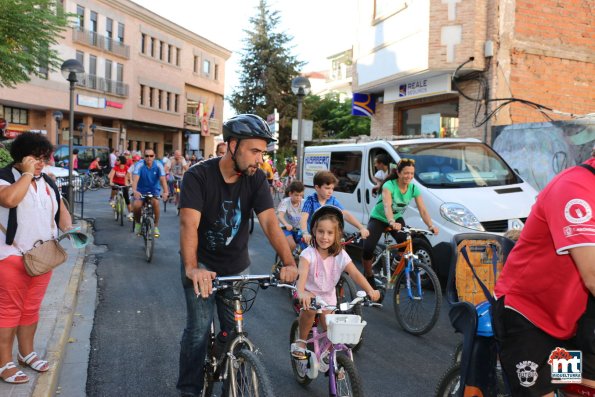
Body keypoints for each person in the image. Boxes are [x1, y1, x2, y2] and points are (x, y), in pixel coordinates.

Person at [176, 114, 298, 397]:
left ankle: (233, 382)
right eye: (255, 151)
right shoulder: (198, 176)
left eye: (263, 152)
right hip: (202, 265)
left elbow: (269, 222)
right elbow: (188, 224)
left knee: (234, 331)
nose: (260, 159)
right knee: (197, 331)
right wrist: (192, 268)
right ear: (232, 145)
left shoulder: (255, 179)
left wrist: (289, 262)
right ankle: (189, 390)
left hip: (235, 267)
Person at [493, 156, 595, 397]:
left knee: (578, 385)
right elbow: (592, 275)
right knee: (542, 389)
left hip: (571, 323)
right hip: (529, 318)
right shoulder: (575, 189)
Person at [0, 133, 75, 384]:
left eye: (44, 158)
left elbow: (62, 215)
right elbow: (9, 199)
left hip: (42, 257)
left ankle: (26, 354)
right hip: (11, 256)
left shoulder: (47, 182)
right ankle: (4, 363)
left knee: (31, 309)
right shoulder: (4, 177)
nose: (41, 163)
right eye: (35, 157)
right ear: (20, 157)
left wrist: (72, 230)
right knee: (9, 311)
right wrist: (27, 174)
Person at [290, 205, 380, 359]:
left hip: (328, 296)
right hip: (308, 293)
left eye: (330, 233)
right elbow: (301, 277)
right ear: (314, 232)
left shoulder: (340, 255)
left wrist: (370, 289)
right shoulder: (308, 254)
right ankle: (302, 341)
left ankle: (332, 364)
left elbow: (356, 274)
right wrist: (302, 292)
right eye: (321, 232)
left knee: (330, 333)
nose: (325, 237)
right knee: (310, 310)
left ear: (337, 234)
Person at [361, 158, 438, 288]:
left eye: (412, 173)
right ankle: (369, 275)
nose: (409, 176)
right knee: (368, 248)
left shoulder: (413, 188)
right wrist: (391, 222)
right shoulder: (389, 185)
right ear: (398, 173)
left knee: (405, 242)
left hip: (396, 218)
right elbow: (387, 206)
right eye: (406, 173)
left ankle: (394, 269)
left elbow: (423, 210)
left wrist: (430, 225)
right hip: (379, 218)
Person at [300, 170, 370, 245]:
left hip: (328, 238)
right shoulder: (310, 200)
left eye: (332, 188)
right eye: (327, 188)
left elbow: (345, 214)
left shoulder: (332, 200)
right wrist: (305, 233)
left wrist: (361, 227)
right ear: (317, 187)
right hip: (313, 237)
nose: (330, 191)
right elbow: (303, 218)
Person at [131, 149, 168, 238]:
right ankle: (138, 224)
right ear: (144, 157)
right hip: (141, 190)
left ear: (154, 156)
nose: (149, 158)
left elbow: (163, 180)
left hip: (154, 189)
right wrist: (135, 191)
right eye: (147, 156)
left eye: (151, 156)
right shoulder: (139, 164)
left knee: (155, 203)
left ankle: (155, 226)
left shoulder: (159, 164)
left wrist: (166, 192)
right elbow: (135, 180)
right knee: (136, 205)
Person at [277, 180, 305, 251]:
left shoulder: (304, 202)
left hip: (299, 229)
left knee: (305, 247)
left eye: (301, 195)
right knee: (292, 245)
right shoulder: (285, 202)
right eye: (296, 195)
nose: (299, 197)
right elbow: (280, 216)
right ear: (290, 194)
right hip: (286, 228)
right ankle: (288, 261)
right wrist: (286, 224)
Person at [108, 155, 133, 221]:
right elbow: (112, 176)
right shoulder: (115, 167)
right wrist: (111, 182)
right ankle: (112, 199)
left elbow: (129, 177)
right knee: (114, 189)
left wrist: (131, 182)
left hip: (124, 183)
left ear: (121, 161)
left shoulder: (127, 168)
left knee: (127, 198)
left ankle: (130, 213)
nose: (116, 161)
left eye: (118, 160)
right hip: (116, 182)